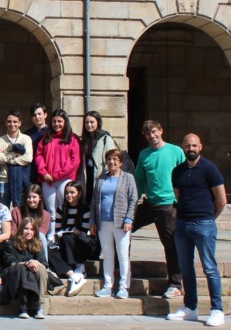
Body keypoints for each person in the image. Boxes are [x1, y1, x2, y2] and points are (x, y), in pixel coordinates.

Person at [167, 134, 226, 327]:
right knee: (185, 267)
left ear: (200, 147)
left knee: (209, 268)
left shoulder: (210, 169)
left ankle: (217, 310)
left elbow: (221, 200)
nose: (190, 148)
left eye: (194, 145)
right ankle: (190, 307)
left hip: (204, 224)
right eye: (187, 145)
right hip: (183, 225)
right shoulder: (178, 171)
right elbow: (178, 196)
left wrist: (209, 218)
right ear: (183, 147)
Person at [133, 120, 185, 299]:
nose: (152, 136)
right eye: (148, 134)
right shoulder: (144, 155)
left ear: (161, 131)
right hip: (149, 203)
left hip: (168, 205)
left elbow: (185, 175)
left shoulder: (175, 151)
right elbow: (139, 180)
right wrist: (133, 203)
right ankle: (117, 268)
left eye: (154, 132)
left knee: (170, 244)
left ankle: (176, 284)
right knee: (123, 228)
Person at [89, 148, 137, 299]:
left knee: (123, 255)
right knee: (108, 255)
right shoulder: (101, 179)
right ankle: (107, 285)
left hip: (121, 222)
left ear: (121, 162)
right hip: (103, 221)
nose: (112, 162)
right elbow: (94, 201)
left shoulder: (128, 178)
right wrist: (92, 221)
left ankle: (123, 286)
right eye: (109, 159)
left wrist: (129, 219)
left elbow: (133, 199)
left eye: (115, 159)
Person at [47, 180, 93, 297]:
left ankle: (78, 266)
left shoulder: (86, 209)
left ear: (80, 194)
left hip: (83, 245)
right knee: (49, 251)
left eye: (72, 193)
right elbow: (57, 230)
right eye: (67, 193)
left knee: (68, 237)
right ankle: (74, 276)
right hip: (66, 243)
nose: (69, 196)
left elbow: (84, 233)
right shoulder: (61, 209)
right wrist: (71, 230)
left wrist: (71, 231)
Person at [35, 109, 81, 223]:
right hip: (47, 180)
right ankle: (52, 236)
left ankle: (65, 233)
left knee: (64, 207)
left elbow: (74, 161)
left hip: (64, 179)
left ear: (65, 122)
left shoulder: (73, 138)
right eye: (54, 121)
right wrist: (44, 172)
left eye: (59, 121)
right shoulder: (46, 137)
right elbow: (39, 155)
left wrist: (57, 175)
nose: (56, 124)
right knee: (51, 210)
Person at [2, 218, 48, 319]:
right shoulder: (11, 243)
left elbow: (44, 263)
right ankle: (24, 306)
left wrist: (36, 262)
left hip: (33, 271)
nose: (29, 232)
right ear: (21, 229)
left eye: (32, 229)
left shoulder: (38, 243)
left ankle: (38, 306)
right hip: (16, 272)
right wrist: (27, 264)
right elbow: (11, 263)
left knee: (41, 269)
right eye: (26, 228)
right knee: (22, 270)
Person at [0, 110, 33, 208]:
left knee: (20, 211)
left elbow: (28, 158)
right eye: (9, 121)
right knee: (3, 212)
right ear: (5, 123)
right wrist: (14, 154)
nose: (12, 124)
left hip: (21, 180)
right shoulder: (0, 140)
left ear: (20, 123)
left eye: (15, 121)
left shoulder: (26, 139)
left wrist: (9, 159)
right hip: (4, 180)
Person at [80, 111, 116, 204]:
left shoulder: (105, 139)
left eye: (92, 122)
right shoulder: (84, 140)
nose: (89, 125)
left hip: (100, 177)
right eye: (86, 122)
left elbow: (111, 160)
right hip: (87, 176)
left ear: (98, 123)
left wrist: (106, 178)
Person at [10, 184, 52, 259]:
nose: (31, 200)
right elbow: (13, 231)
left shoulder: (46, 215)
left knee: (41, 236)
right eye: (29, 197)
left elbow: (42, 233)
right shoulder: (16, 211)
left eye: (34, 197)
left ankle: (44, 264)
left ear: (40, 198)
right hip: (20, 240)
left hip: (36, 242)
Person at [25, 104, 49, 185]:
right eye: (34, 115)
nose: (37, 117)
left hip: (47, 170)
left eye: (39, 114)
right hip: (32, 170)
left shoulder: (51, 133)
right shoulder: (27, 134)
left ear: (45, 115)